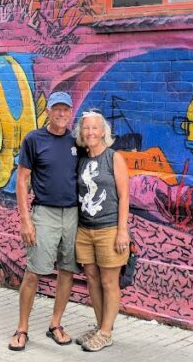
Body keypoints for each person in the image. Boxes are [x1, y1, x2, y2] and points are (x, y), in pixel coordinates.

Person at [8, 91, 80, 351]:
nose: (61, 113)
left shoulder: (76, 141)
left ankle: (55, 324)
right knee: (34, 271)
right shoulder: (34, 140)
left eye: (65, 109)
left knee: (67, 270)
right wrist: (25, 220)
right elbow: (22, 180)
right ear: (47, 111)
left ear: (70, 112)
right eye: (56, 109)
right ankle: (22, 328)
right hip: (44, 214)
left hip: (72, 214)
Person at [71, 110, 131, 352]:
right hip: (85, 230)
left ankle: (106, 332)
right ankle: (100, 327)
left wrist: (122, 231)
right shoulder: (81, 160)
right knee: (92, 279)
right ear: (80, 133)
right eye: (86, 128)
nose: (90, 132)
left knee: (109, 282)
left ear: (103, 132)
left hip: (109, 229)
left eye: (95, 128)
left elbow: (124, 196)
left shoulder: (113, 158)